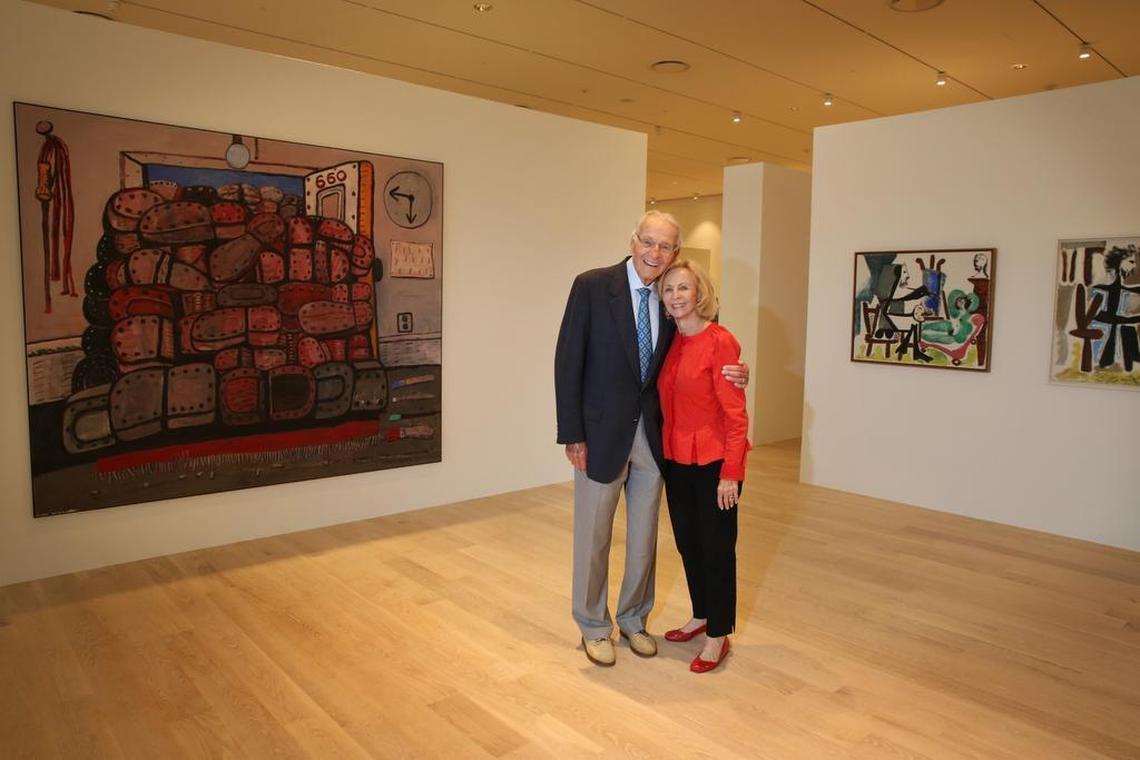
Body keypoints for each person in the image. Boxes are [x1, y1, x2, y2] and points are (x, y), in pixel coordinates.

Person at [554, 210, 748, 667]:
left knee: (643, 539)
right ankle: (594, 626)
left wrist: (738, 371)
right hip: (599, 436)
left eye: (664, 247)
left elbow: (705, 352)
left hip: (655, 439)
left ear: (675, 254)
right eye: (648, 241)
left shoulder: (668, 300)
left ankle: (634, 619)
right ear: (633, 239)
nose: (654, 253)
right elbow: (567, 363)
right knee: (594, 537)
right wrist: (572, 433)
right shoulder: (592, 285)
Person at [656, 260, 750, 674]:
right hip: (676, 459)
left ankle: (719, 634)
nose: (676, 296)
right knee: (688, 543)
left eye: (683, 288)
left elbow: (736, 415)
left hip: (714, 463)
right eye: (668, 290)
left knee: (717, 549)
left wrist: (732, 471)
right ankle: (700, 615)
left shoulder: (720, 342)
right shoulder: (670, 341)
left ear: (700, 294)